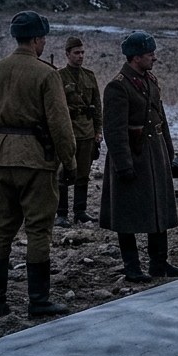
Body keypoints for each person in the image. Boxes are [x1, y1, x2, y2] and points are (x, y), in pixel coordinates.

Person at [0, 11, 76, 317]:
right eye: (43, 38)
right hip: (36, 159)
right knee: (38, 230)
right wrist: (69, 161)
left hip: (0, 156)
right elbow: (60, 123)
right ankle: (38, 300)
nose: (44, 43)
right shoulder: (47, 74)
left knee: (2, 230)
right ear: (35, 40)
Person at [100, 31, 178, 281]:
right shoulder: (118, 86)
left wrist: (168, 151)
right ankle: (132, 267)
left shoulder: (150, 80)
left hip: (154, 153)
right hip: (132, 156)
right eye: (150, 54)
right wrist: (124, 165)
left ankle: (159, 263)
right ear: (135, 58)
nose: (154, 58)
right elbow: (114, 130)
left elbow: (161, 118)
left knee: (159, 210)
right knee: (126, 214)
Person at [55, 36, 103, 227]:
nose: (80, 56)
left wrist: (98, 130)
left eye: (82, 52)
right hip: (68, 132)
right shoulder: (59, 76)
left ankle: (80, 211)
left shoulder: (89, 76)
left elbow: (97, 106)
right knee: (64, 173)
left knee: (83, 173)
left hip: (87, 132)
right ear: (67, 54)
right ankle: (61, 213)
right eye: (76, 53)